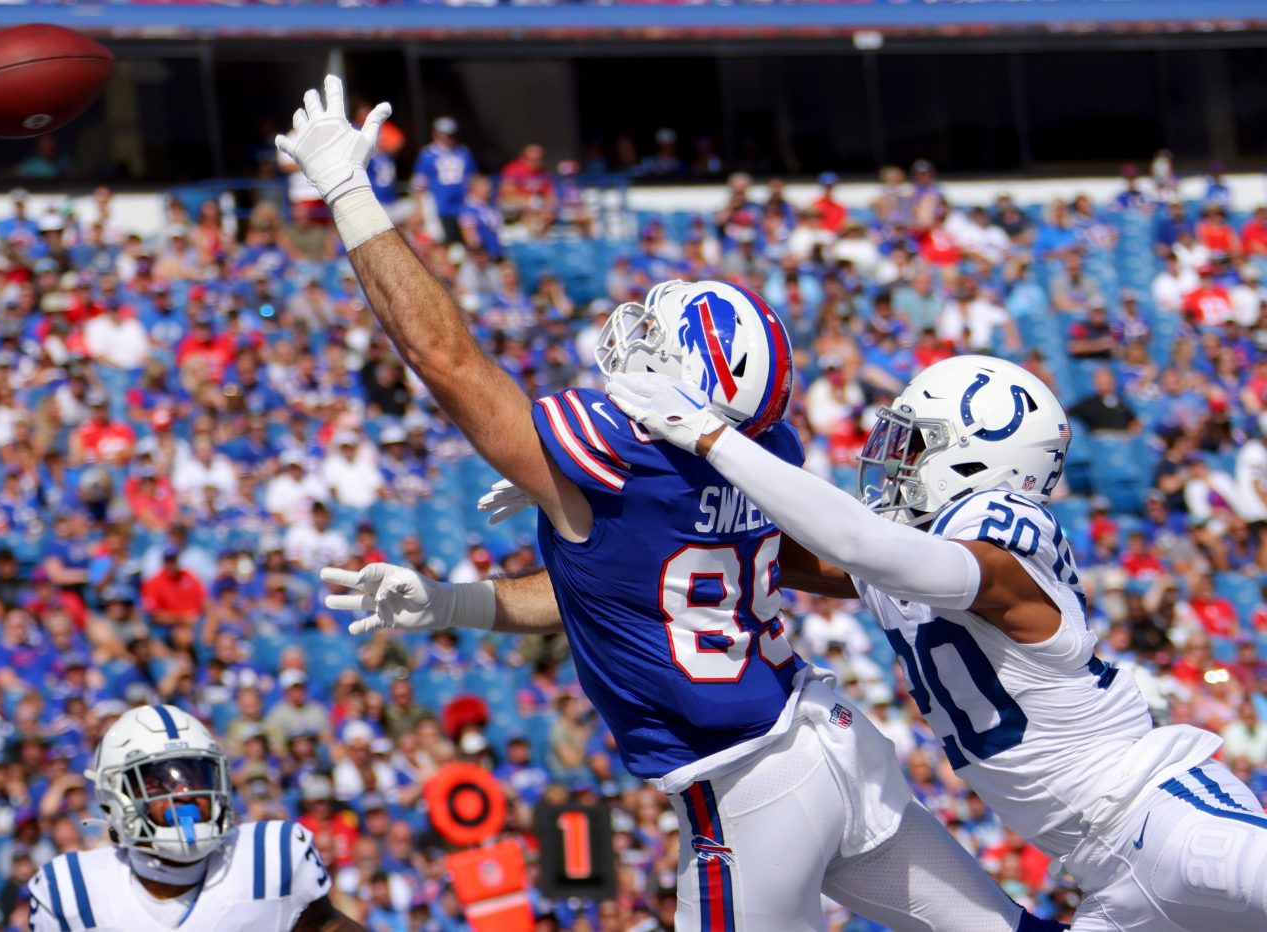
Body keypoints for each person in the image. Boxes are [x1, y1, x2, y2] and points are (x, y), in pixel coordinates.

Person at [279, 75, 1052, 932]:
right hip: (833, 740)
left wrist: (350, 195)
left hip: (746, 782)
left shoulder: (614, 455)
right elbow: (623, 590)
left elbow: (446, 360)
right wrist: (455, 601)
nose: (636, 341)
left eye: (658, 339)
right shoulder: (769, 453)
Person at [596, 354, 1267, 931]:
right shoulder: (916, 560)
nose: (895, 460)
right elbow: (753, 551)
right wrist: (617, 498)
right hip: (1103, 873)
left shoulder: (998, 556)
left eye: (918, 445)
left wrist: (711, 436)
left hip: (1170, 822)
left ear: (979, 459)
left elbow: (860, 544)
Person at [27, 704, 361, 931]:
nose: (185, 792)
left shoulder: (271, 857)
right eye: (160, 781)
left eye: (197, 776)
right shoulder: (72, 889)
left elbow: (327, 925)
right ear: (116, 795)